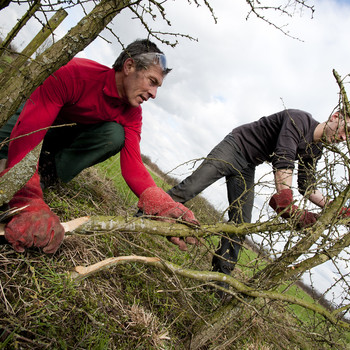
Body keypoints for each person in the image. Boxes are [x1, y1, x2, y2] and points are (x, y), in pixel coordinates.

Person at [0, 39, 199, 254]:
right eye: (152, 81)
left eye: (157, 86)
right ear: (129, 66)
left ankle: (48, 171)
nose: (153, 94)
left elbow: (133, 166)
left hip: (58, 137)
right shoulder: (75, 73)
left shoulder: (133, 114)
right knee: (6, 158)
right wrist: (27, 197)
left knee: (115, 135)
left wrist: (163, 205)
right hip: (30, 120)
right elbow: (28, 133)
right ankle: (26, 174)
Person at [167, 108, 350, 276]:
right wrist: (286, 203)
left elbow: (307, 185)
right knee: (190, 187)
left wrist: (336, 209)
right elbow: (283, 156)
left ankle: (219, 278)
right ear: (336, 116)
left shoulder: (316, 149)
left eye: (348, 139)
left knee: (241, 223)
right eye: (346, 131)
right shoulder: (299, 120)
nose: (344, 139)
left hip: (248, 165)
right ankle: (143, 215)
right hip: (235, 147)